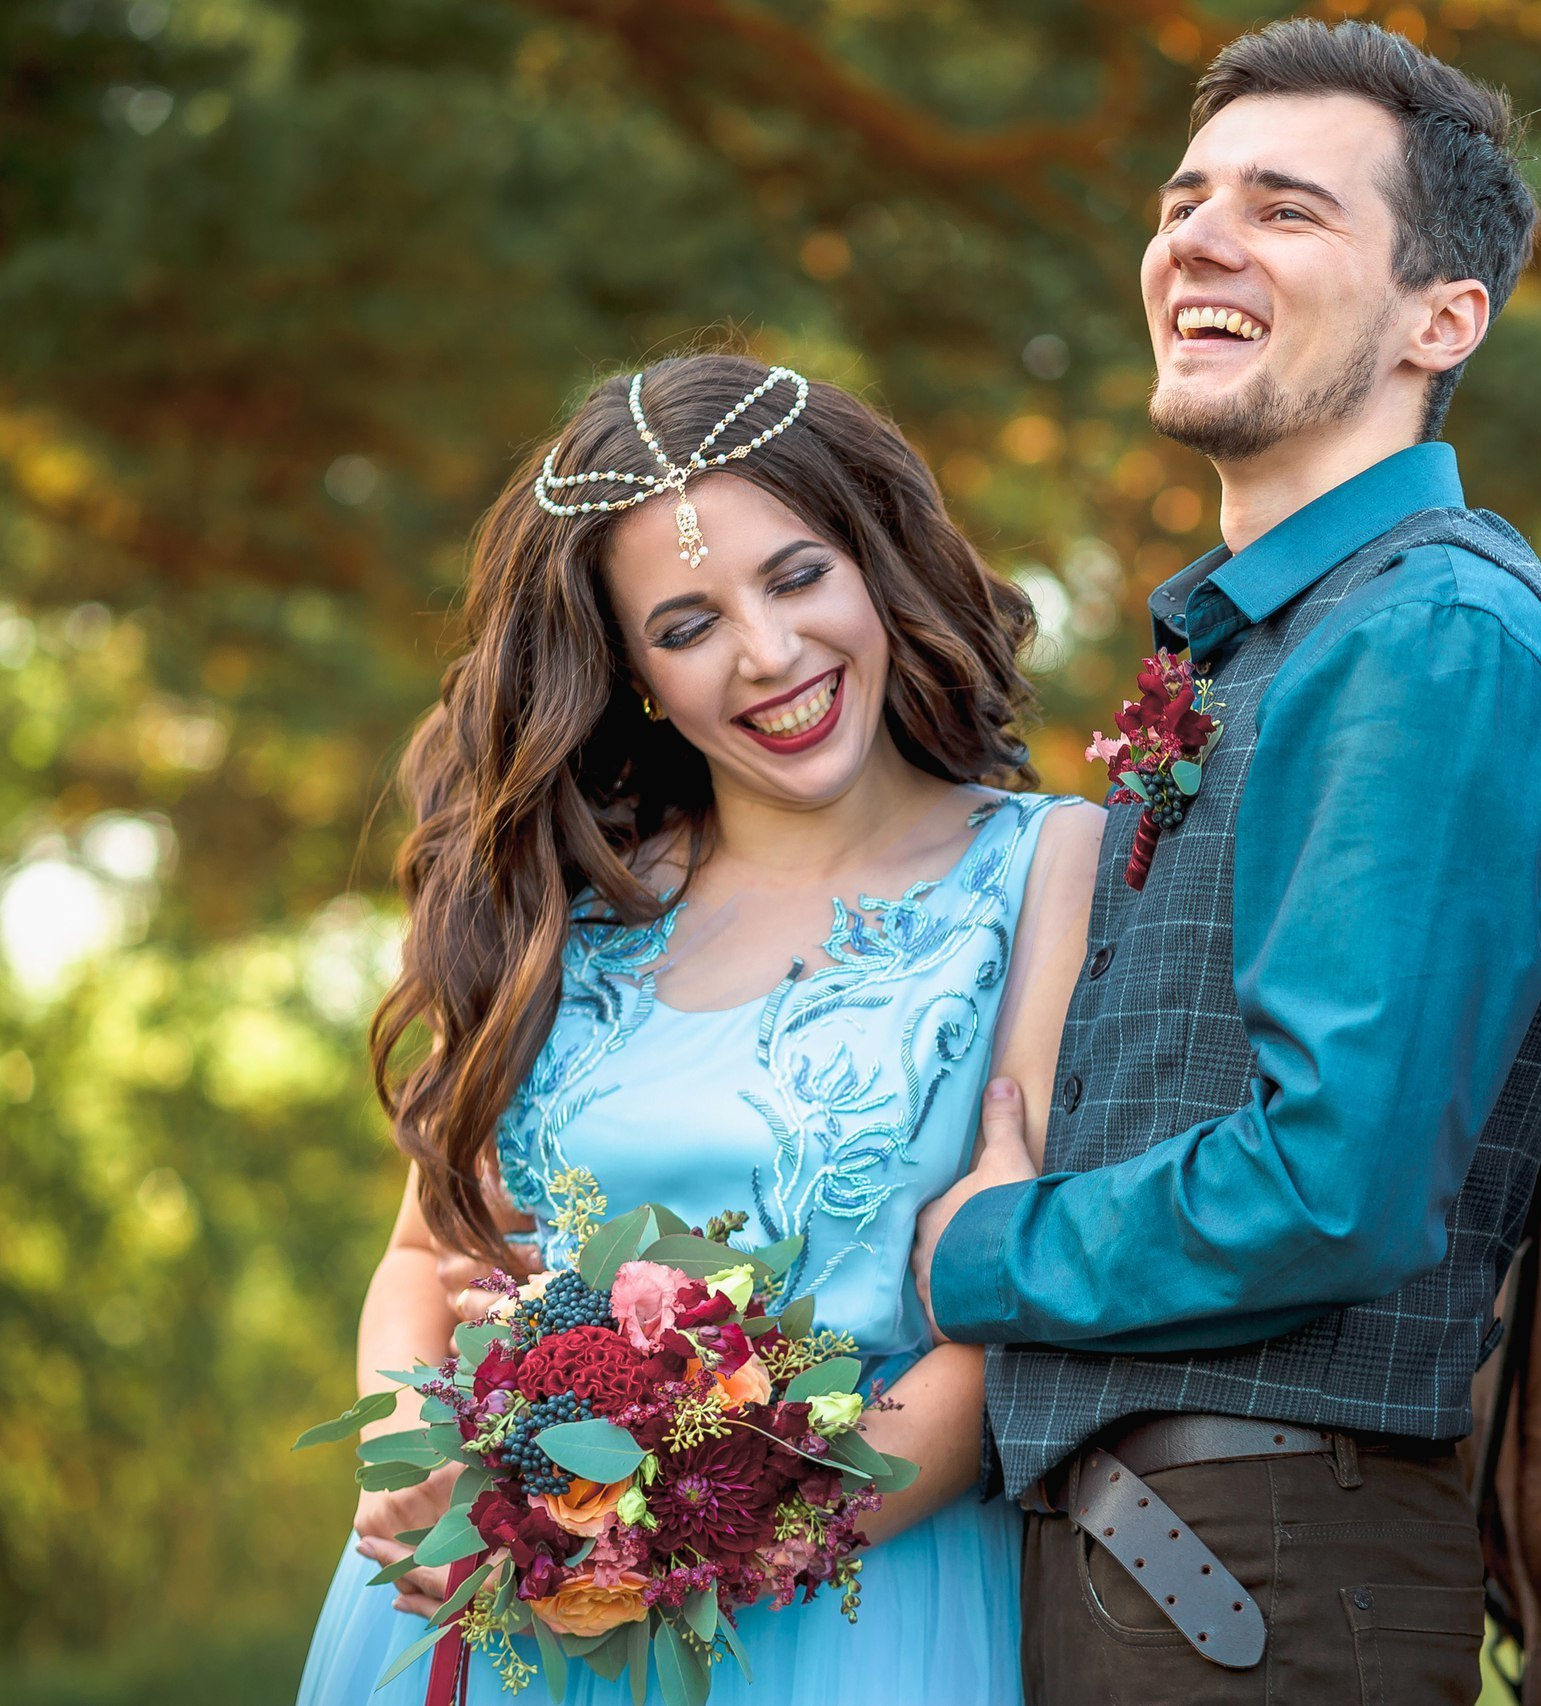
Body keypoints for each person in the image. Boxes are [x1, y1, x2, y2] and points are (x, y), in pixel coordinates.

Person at [909, 21, 1541, 1706]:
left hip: (1258, 1576)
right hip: (1166, 1559)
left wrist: (987, 1253)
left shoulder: (1428, 633)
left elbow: (1338, 1180)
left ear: (1441, 321)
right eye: (1185, 197)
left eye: (1287, 211)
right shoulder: (1279, 641)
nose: (1199, 240)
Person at [296, 351, 1104, 1704]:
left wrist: (688, 1545)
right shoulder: (569, 900)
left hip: (852, 1609)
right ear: (633, 676)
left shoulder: (1047, 865)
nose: (770, 653)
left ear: (876, 565)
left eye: (796, 578)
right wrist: (406, 1455)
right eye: (688, 624)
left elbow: (1003, 1337)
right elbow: (427, 1258)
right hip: (501, 1611)